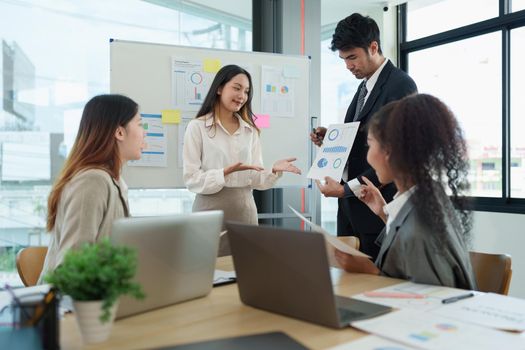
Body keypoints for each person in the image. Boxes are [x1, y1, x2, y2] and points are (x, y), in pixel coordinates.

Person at [334, 94, 476, 290]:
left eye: (370, 144)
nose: (368, 157)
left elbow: (426, 300)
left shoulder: (420, 229)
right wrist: (385, 213)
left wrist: (371, 271)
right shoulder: (429, 199)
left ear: (390, 151)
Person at [311, 13, 417, 260]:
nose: (348, 65)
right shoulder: (364, 87)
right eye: (343, 59)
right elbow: (363, 140)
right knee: (348, 282)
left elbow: (395, 154)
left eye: (352, 57)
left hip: (376, 208)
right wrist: (332, 139)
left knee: (374, 285)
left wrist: (347, 189)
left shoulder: (400, 85)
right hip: (350, 208)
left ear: (373, 47)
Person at [183, 65, 301, 254]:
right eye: (237, 88)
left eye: (246, 91)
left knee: (245, 271)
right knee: (208, 272)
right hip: (208, 212)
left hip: (245, 212)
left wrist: (273, 170)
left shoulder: (250, 130)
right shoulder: (197, 127)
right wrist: (223, 174)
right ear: (220, 88)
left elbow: (255, 179)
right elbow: (191, 179)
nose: (242, 96)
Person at [39, 94, 145, 282]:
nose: (144, 132)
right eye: (139, 124)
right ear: (119, 132)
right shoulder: (92, 181)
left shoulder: (114, 181)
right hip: (68, 305)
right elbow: (73, 266)